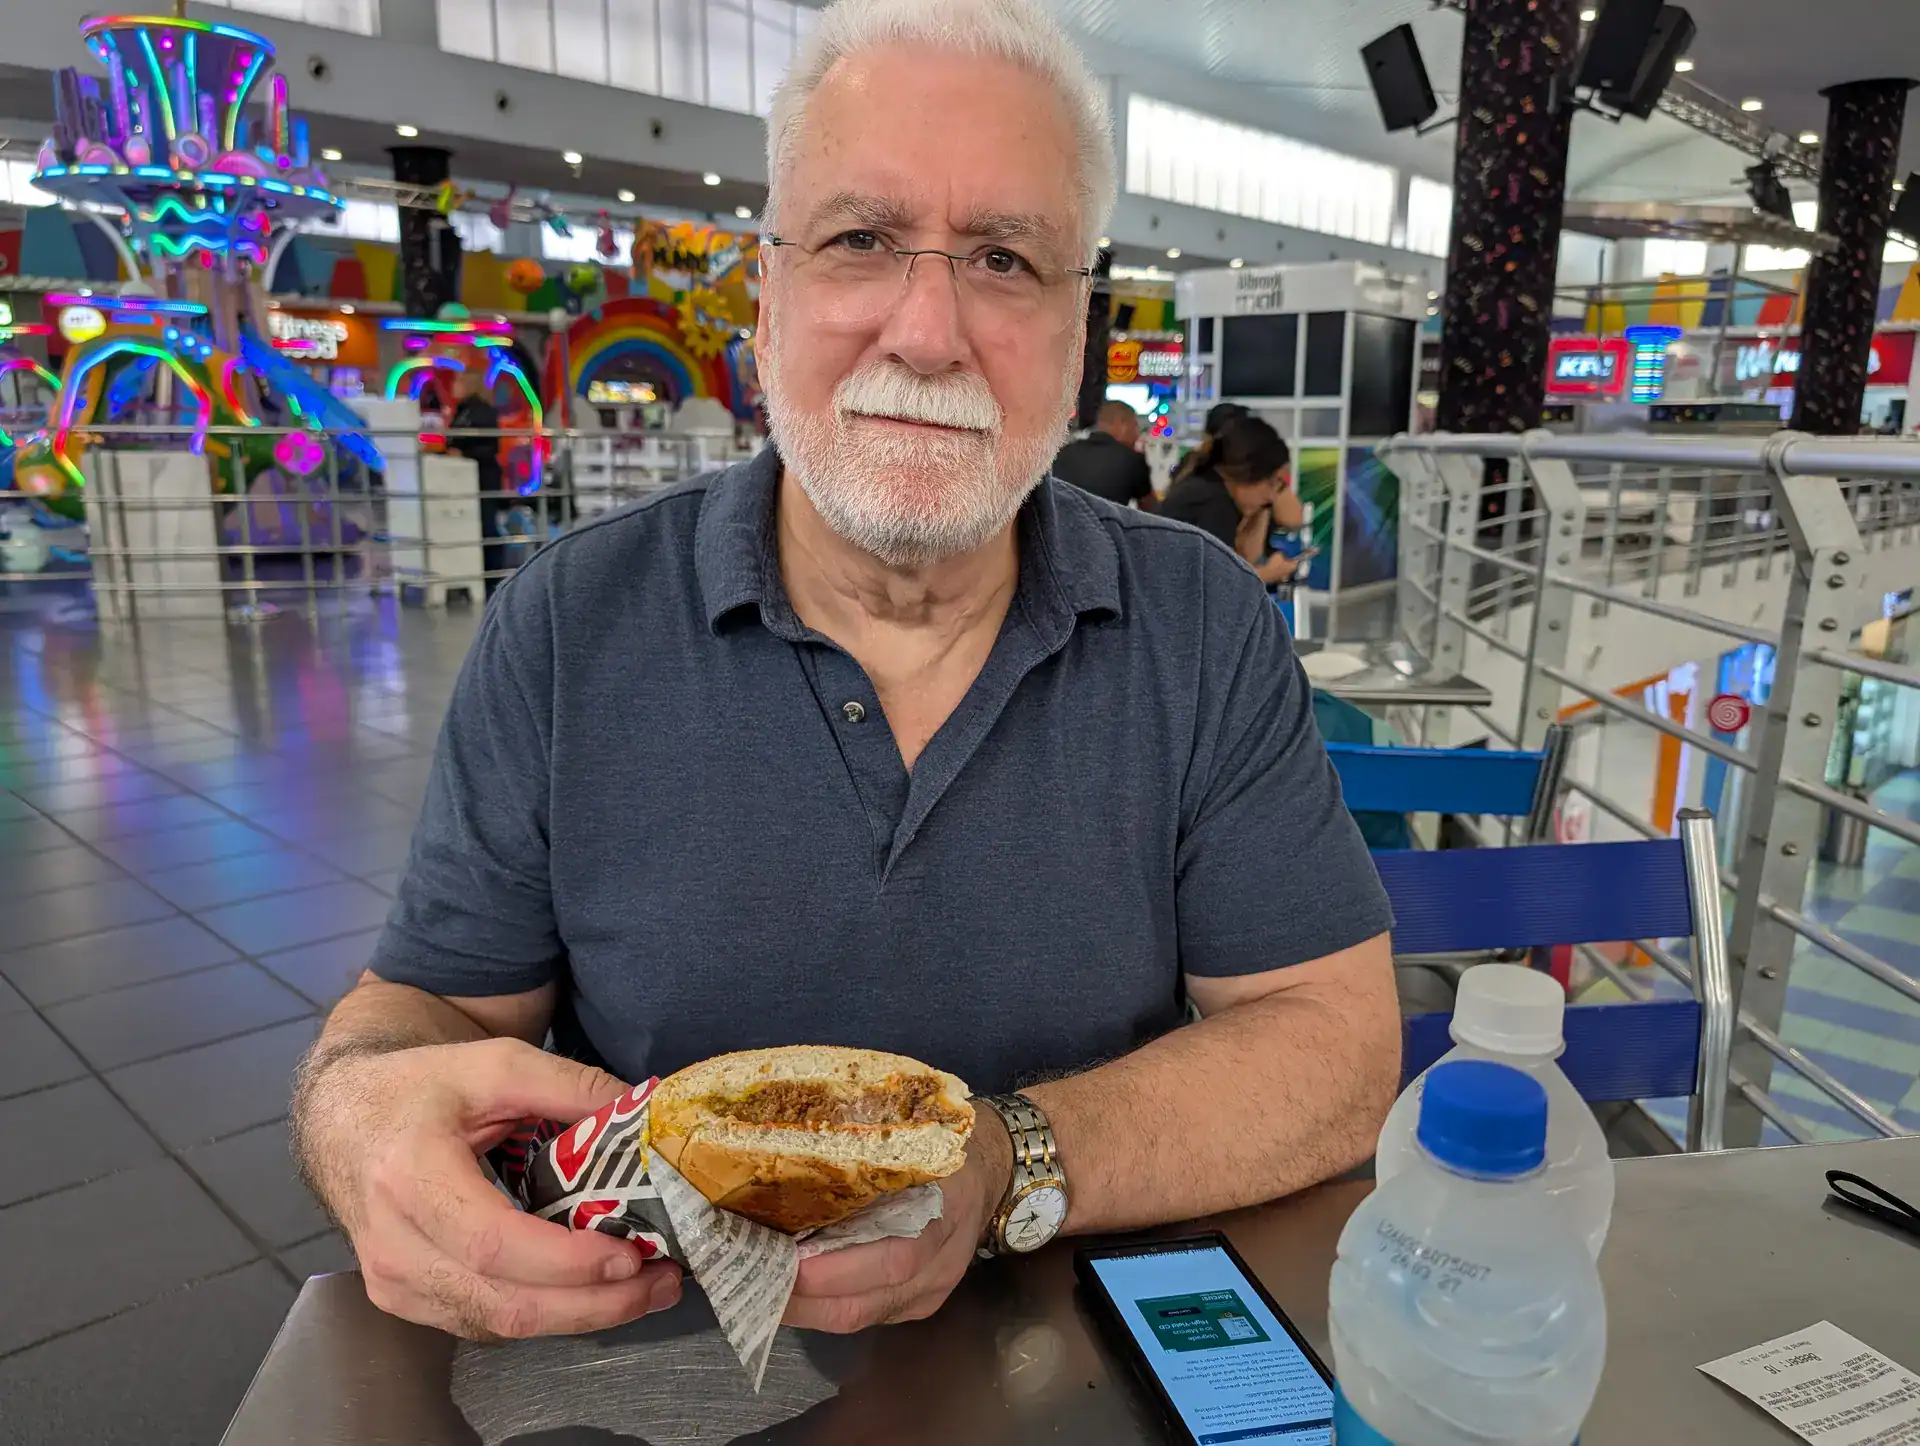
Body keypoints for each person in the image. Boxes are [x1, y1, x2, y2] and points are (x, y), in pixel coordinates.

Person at [291, 0, 1396, 1346]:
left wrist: (1011, 1162)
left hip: (1080, 1370)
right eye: (860, 239)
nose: (926, 330)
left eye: (1002, 256)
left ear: (1076, 325)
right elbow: (434, 1005)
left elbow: (1332, 1043)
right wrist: (356, 1119)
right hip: (660, 1371)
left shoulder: (1200, 627)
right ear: (768, 291)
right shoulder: (571, 624)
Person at [1160, 413, 1311, 588]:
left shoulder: (1209, 488)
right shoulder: (1213, 502)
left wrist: (1260, 511)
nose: (1272, 496)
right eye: (1271, 484)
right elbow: (1218, 585)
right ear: (1247, 474)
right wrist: (1267, 574)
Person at [443, 367, 513, 597]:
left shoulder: (482, 412)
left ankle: (493, 578)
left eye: (458, 382)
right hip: (461, 479)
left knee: (486, 526)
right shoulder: (461, 411)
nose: (453, 386)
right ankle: (475, 576)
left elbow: (490, 447)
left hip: (483, 478)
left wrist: (464, 453)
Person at [1050, 399, 1156, 509]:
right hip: (1106, 525)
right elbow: (1151, 509)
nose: (1137, 436)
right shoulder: (1132, 459)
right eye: (1134, 427)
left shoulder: (1064, 452)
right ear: (1121, 424)